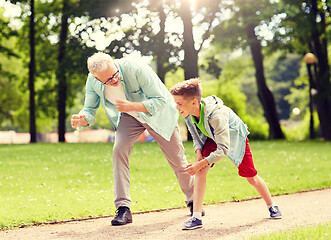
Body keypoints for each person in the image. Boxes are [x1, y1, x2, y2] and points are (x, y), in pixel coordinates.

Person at [71, 52, 195, 226]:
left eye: (115, 75)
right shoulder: (92, 81)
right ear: (96, 78)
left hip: (158, 116)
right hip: (129, 117)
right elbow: (89, 109)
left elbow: (160, 100)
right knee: (119, 150)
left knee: (177, 159)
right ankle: (123, 208)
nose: (113, 81)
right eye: (107, 80)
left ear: (114, 64)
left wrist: (133, 106)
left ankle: (193, 201)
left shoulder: (136, 69)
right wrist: (83, 118)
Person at [169, 78, 282, 230]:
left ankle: (272, 206)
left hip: (234, 139)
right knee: (201, 171)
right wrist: (198, 157)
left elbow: (223, 149)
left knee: (251, 177)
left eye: (180, 103)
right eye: (176, 103)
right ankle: (196, 217)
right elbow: (196, 137)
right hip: (211, 137)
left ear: (194, 102)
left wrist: (201, 163)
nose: (177, 107)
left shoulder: (216, 115)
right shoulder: (188, 113)